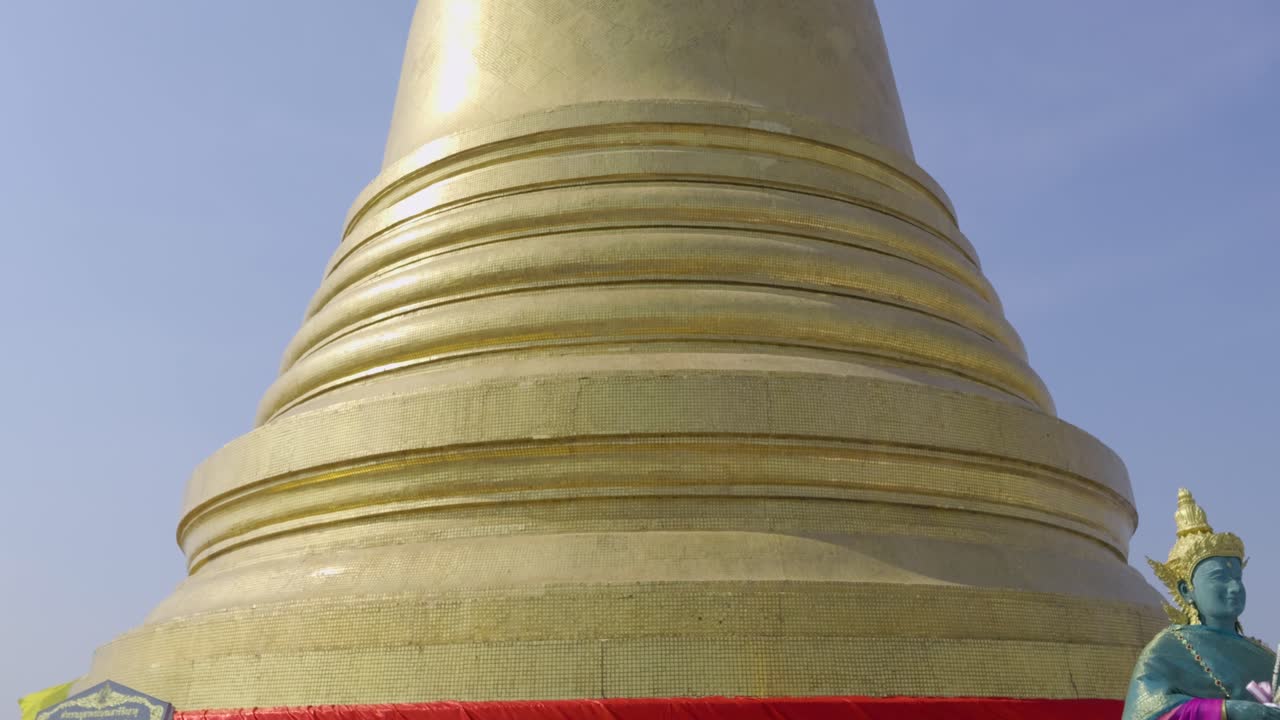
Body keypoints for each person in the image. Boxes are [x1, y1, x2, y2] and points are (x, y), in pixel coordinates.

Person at [1124, 489, 1279, 720]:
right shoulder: (1169, 649)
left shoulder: (1264, 658)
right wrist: (1229, 711)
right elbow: (1146, 713)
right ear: (1187, 590)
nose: (1234, 587)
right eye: (1220, 578)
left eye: (1238, 578)